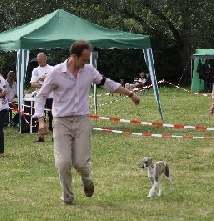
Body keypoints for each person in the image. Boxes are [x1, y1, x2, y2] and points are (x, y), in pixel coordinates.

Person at [34, 40, 140, 205]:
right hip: (61, 121)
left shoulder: (89, 70)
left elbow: (107, 83)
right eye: (83, 59)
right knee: (63, 163)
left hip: (82, 120)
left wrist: (129, 93)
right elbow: (41, 96)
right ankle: (67, 197)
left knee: (81, 163)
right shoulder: (56, 73)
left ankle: (87, 180)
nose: (86, 63)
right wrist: (41, 121)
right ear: (73, 56)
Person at [30, 52, 53, 142]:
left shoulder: (51, 68)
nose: (39, 60)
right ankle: (41, 137)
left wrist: (44, 80)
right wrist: (43, 86)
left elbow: (53, 80)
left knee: (53, 116)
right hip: (40, 96)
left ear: (45, 58)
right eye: (38, 59)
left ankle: (54, 136)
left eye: (41, 58)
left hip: (51, 96)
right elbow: (33, 83)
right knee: (40, 116)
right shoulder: (35, 70)